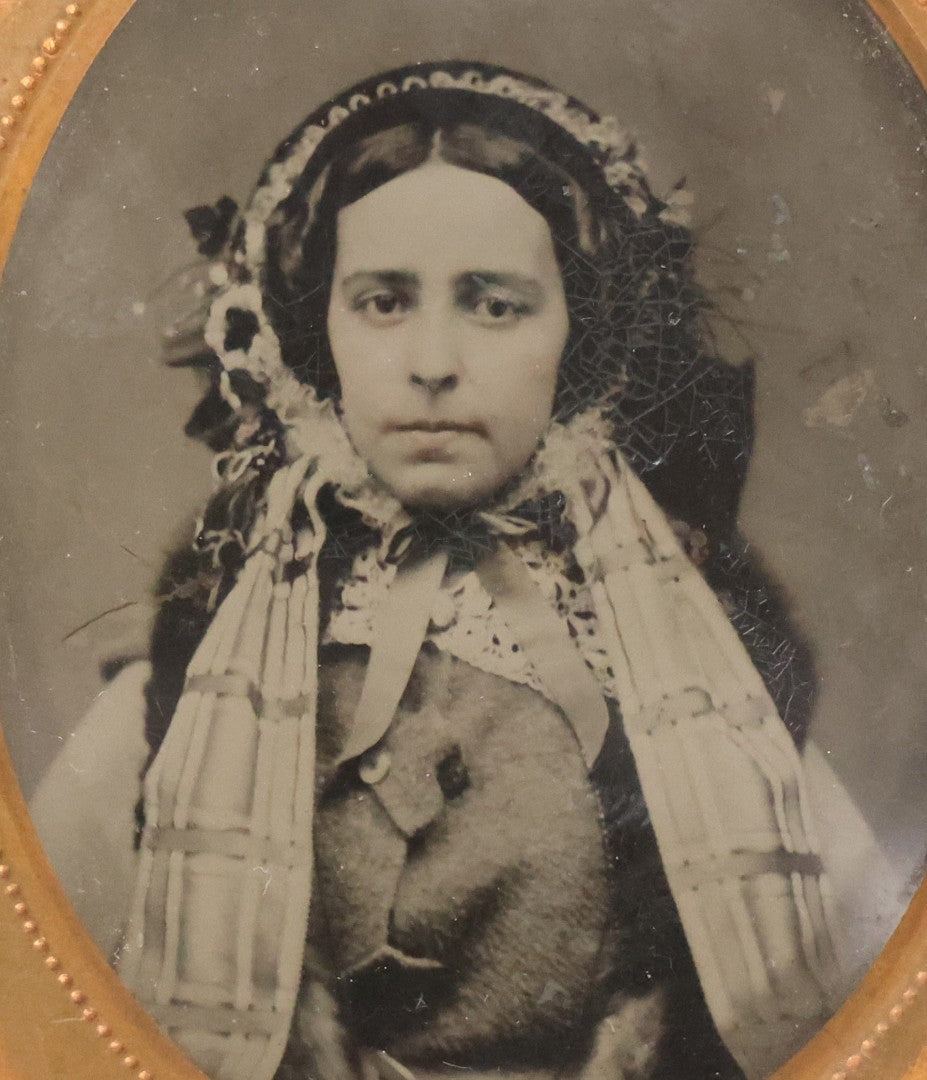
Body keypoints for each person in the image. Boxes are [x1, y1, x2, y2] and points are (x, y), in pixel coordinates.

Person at [30, 61, 895, 1080]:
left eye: (494, 306)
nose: (432, 360)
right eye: (385, 302)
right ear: (321, 337)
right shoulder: (202, 691)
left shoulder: (703, 699)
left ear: (581, 338)